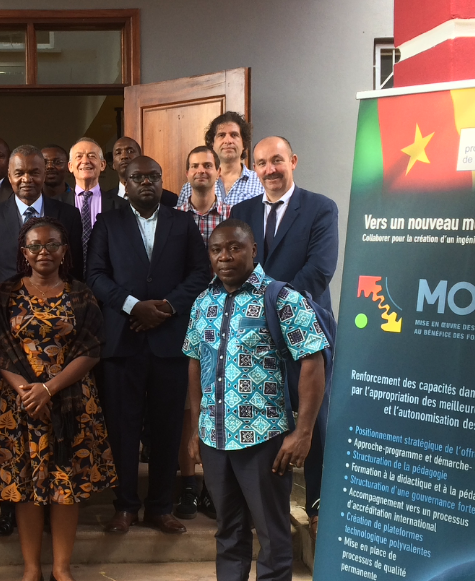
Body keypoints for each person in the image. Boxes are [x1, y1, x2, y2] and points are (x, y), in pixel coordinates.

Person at [180, 219, 327, 581]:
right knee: (228, 532)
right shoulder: (202, 302)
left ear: (254, 250)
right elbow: (195, 364)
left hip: (264, 439)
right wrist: (195, 429)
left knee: (273, 536)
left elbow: (313, 363)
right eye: (216, 250)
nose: (224, 257)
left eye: (233, 249)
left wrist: (303, 432)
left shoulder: (281, 299)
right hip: (214, 436)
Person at [0, 216, 116, 581]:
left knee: (66, 488)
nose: (44, 252)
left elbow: (91, 349)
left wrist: (49, 388)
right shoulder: (6, 294)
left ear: (65, 251)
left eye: (52, 244)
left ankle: (61, 569)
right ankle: (30, 571)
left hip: (72, 403)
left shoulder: (81, 294)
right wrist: (29, 392)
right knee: (25, 487)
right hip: (20, 403)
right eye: (35, 246)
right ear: (23, 253)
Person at [85, 156, 211, 536]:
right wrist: (133, 305)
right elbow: (94, 275)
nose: (146, 183)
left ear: (161, 181)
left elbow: (200, 273)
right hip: (123, 342)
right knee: (122, 428)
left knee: (167, 426)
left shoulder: (182, 221)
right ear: (124, 181)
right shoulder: (107, 223)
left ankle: (160, 507)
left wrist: (168, 307)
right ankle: (125, 506)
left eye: (153, 177)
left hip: (169, 341)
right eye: (137, 177)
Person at [230, 136, 339, 537]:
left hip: (306, 326)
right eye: (261, 163)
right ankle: (263, 503)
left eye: (277, 161)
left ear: (292, 160)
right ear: (253, 168)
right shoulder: (241, 210)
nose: (270, 170)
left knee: (315, 417)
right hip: (255, 333)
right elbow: (236, 264)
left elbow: (320, 269)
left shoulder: (320, 207)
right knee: (263, 412)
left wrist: (274, 306)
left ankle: (317, 506)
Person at [172, 145, 231, 520]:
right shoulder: (174, 218)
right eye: (194, 166)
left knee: (216, 399)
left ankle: (215, 486)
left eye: (207, 165)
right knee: (187, 406)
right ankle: (188, 485)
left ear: (217, 171)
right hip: (185, 317)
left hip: (227, 315)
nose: (201, 171)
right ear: (187, 173)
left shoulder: (232, 217)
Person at [0, 144, 85, 310]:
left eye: (34, 172)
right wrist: (4, 305)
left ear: (43, 174)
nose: (26, 179)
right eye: (19, 173)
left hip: (59, 311)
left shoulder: (69, 215)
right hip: (8, 312)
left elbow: (74, 267)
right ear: (9, 176)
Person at [175, 112, 265, 208]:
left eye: (234, 135)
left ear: (244, 143)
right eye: (221, 135)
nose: (228, 141)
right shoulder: (189, 188)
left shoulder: (261, 183)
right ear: (212, 144)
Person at [62, 137, 127, 259]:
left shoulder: (120, 205)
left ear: (102, 165)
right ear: (70, 166)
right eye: (79, 156)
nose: (85, 161)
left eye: (92, 156)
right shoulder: (57, 204)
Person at [111, 136, 178, 207]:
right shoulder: (104, 200)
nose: (124, 156)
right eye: (118, 153)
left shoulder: (169, 199)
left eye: (130, 151)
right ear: (113, 164)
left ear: (141, 158)